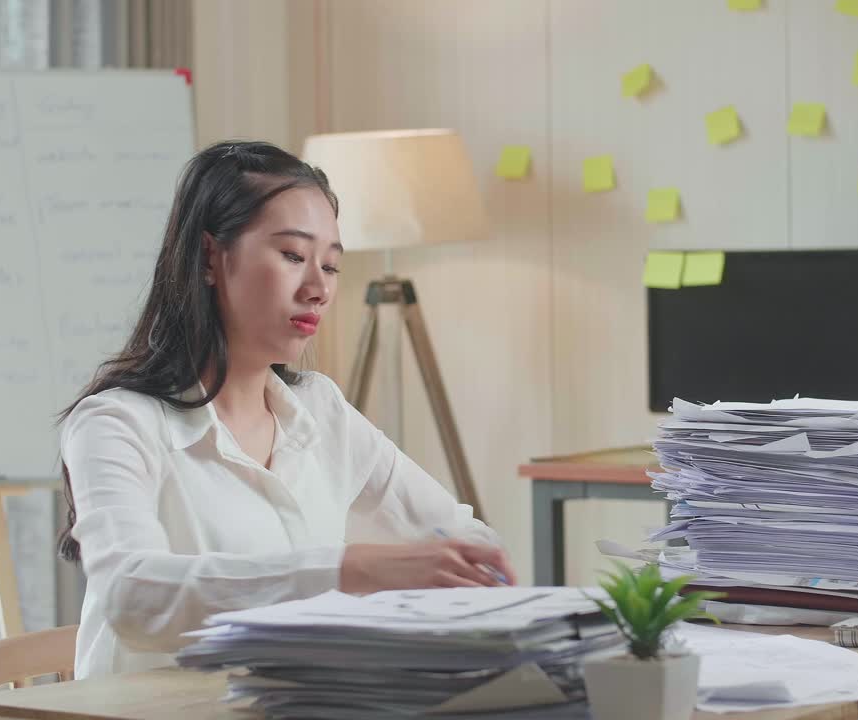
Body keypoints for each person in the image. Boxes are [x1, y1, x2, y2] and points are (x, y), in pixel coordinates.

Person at [56, 140, 515, 679]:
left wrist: (462, 574)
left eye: (332, 265)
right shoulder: (115, 424)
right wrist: (352, 568)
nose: (319, 288)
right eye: (294, 256)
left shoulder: (321, 410)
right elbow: (133, 596)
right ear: (210, 257)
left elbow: (464, 540)